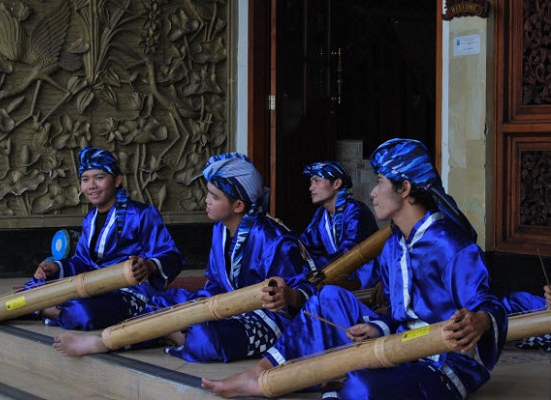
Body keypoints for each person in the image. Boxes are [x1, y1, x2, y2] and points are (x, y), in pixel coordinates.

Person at [202, 138, 508, 399]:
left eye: (380, 182)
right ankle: (261, 372)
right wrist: (378, 328)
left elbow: (488, 304)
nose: (373, 192)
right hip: (399, 346)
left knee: (357, 385)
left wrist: (479, 320)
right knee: (328, 298)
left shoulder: (450, 244)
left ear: (404, 188)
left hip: (444, 363)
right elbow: (396, 315)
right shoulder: (392, 245)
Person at [52, 152, 316, 362]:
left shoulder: (274, 238)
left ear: (238, 206)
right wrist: (190, 309)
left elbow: (305, 288)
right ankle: (147, 334)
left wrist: (288, 296)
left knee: (203, 337)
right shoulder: (220, 231)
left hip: (265, 319)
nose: (206, 200)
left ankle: (144, 336)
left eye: (214, 196)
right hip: (222, 306)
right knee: (161, 303)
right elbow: (214, 284)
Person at [0, 146, 184, 334]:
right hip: (90, 285)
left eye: (99, 177)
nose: (91, 186)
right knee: (37, 285)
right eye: (85, 179)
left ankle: (44, 310)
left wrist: (149, 265)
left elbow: (171, 255)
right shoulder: (91, 219)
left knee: (83, 313)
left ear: (117, 180)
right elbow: (83, 261)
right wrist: (56, 267)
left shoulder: (142, 213)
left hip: (128, 292)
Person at [299, 161, 380, 290]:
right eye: (311, 182)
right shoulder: (321, 214)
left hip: (367, 280)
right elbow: (306, 245)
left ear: (337, 183)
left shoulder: (355, 210)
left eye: (316, 181)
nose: (311, 187)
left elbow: (350, 251)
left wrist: (316, 266)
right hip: (342, 276)